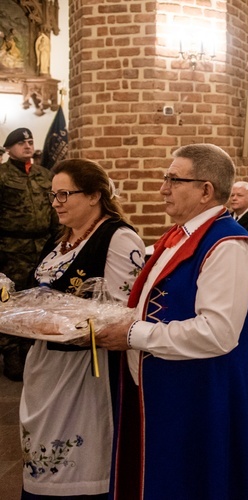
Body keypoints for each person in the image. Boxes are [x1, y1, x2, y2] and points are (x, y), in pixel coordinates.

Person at [97, 144, 248, 499]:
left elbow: (218, 333)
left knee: (195, 482)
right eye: (166, 178)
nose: (163, 188)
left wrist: (133, 334)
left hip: (204, 392)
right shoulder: (181, 235)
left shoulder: (229, 245)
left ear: (206, 190)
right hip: (171, 385)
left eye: (174, 180)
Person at [20, 159, 145, 499]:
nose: (56, 202)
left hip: (89, 370)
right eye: (52, 195)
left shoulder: (118, 237)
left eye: (64, 194)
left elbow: (125, 312)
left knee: (81, 459)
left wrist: (56, 320)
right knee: (42, 458)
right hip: (47, 363)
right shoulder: (60, 241)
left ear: (94, 196)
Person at [0, 128, 58, 381]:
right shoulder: (2, 176)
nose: (27, 145)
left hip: (41, 247)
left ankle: (29, 349)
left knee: (36, 300)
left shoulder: (45, 175)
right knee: (9, 301)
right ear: (9, 148)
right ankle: (10, 351)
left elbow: (55, 210)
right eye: (21, 142)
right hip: (10, 249)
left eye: (30, 141)